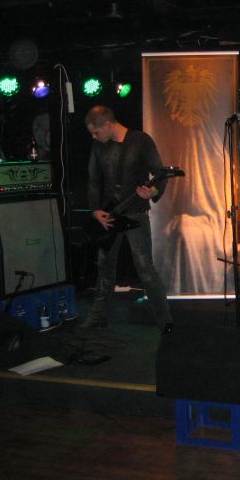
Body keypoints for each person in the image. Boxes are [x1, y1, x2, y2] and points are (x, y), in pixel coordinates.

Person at [82, 105, 173, 333]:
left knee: (145, 268)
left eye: (96, 132)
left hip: (135, 212)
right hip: (109, 214)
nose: (94, 137)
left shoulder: (141, 140)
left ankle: (165, 321)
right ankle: (97, 317)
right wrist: (95, 210)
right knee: (104, 267)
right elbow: (93, 180)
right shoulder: (98, 146)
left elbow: (160, 172)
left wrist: (154, 191)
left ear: (107, 125)